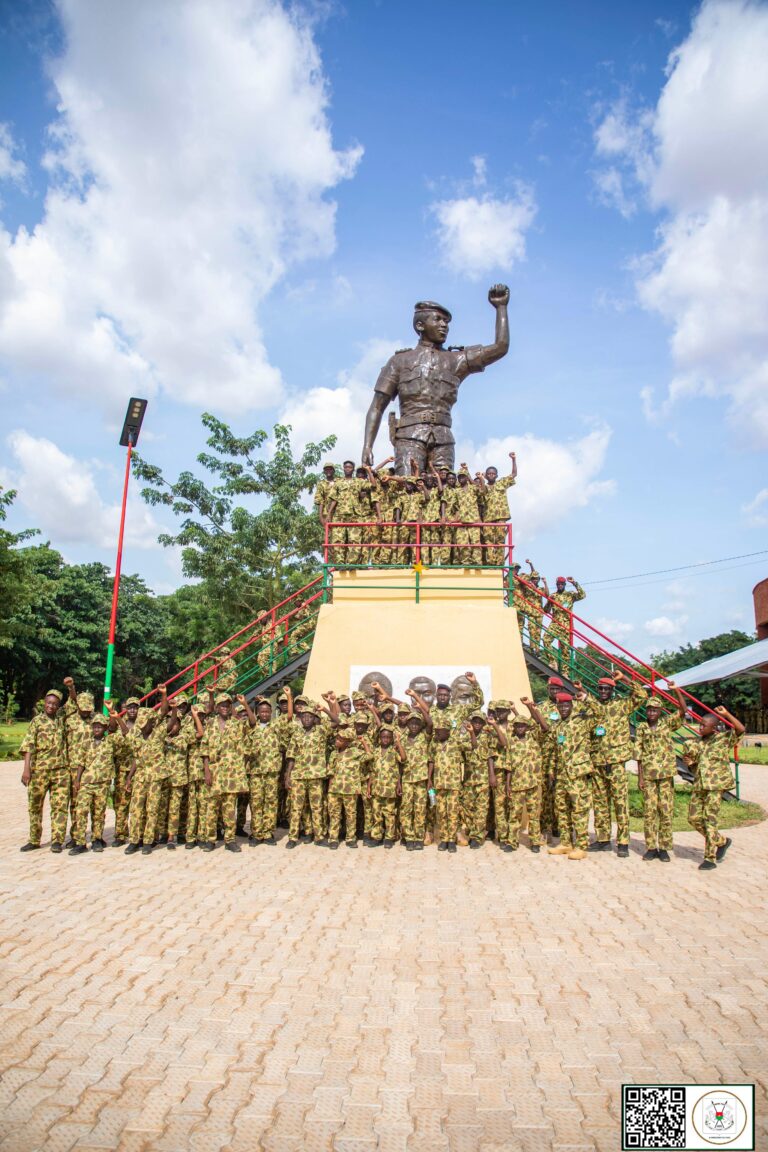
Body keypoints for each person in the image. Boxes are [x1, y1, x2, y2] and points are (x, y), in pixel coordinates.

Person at [361, 286, 510, 474]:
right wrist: (367, 445)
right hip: (409, 437)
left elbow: (500, 347)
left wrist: (501, 308)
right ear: (420, 325)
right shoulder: (399, 361)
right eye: (437, 319)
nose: (444, 325)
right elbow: (377, 406)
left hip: (443, 439)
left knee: (443, 488)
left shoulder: (456, 360)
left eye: (446, 321)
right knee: (408, 486)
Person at [580, 672, 647, 857]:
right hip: (598, 761)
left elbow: (642, 695)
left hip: (616, 762)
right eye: (600, 688)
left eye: (606, 689)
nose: (603, 691)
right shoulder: (593, 706)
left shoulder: (621, 705)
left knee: (620, 803)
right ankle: (603, 839)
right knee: (600, 802)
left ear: (612, 690)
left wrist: (624, 678)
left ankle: (623, 841)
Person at [683, 705, 745, 871]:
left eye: (704, 725)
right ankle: (721, 841)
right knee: (693, 818)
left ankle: (709, 858)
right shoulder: (695, 743)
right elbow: (693, 767)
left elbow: (740, 729)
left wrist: (727, 714)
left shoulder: (723, 739)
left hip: (715, 786)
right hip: (700, 785)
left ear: (714, 727)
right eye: (700, 724)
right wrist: (690, 763)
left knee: (709, 820)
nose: (700, 727)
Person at [635, 684, 685, 861]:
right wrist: (640, 778)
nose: (651, 713)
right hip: (649, 776)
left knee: (665, 811)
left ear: (660, 711)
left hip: (665, 775)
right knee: (649, 812)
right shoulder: (641, 727)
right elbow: (639, 754)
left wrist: (676, 690)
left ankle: (664, 847)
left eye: (655, 710)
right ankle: (650, 847)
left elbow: (683, 710)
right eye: (649, 709)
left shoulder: (667, 723)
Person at [68, 703, 126, 854]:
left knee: (99, 813)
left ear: (105, 728)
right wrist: (77, 780)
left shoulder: (111, 742)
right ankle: (80, 842)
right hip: (86, 783)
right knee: (81, 812)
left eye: (100, 726)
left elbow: (126, 733)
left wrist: (115, 715)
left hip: (102, 783)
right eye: (95, 726)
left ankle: (97, 839)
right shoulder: (86, 743)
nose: (97, 729)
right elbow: (81, 763)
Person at [284, 694, 340, 847]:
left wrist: (325, 709)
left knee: (317, 807)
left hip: (316, 775)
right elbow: (291, 756)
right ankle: (293, 837)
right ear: (300, 718)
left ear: (314, 718)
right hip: (299, 776)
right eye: (304, 716)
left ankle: (319, 836)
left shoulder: (321, 730)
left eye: (310, 716)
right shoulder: (296, 734)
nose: (307, 719)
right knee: (296, 808)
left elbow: (337, 722)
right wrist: (288, 776)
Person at [200, 692, 251, 853]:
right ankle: (210, 839)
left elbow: (252, 723)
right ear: (217, 707)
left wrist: (245, 704)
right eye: (222, 705)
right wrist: (207, 772)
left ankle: (230, 840)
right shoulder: (210, 725)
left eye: (227, 705)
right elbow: (205, 750)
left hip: (231, 775)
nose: (225, 707)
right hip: (214, 773)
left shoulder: (236, 724)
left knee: (229, 810)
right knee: (211, 808)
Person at [19, 688, 69, 853]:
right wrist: (26, 770)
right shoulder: (37, 721)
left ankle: (57, 841)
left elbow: (73, 702)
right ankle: (34, 840)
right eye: (48, 703)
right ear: (44, 703)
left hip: (60, 771)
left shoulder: (62, 719)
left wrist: (71, 688)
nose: (51, 706)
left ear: (58, 706)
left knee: (60, 806)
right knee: (35, 806)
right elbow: (28, 745)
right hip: (39, 770)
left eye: (54, 704)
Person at [546, 690, 594, 861]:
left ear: (572, 706)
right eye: (561, 706)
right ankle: (566, 842)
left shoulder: (582, 721)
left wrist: (587, 698)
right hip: (561, 774)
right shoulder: (558, 725)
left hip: (576, 774)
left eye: (566, 705)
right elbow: (555, 749)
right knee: (562, 809)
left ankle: (581, 845)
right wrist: (551, 769)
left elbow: (600, 713)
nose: (563, 708)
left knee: (579, 809)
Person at [124, 705, 172, 855]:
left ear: (151, 722)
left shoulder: (158, 734)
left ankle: (148, 841)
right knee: (135, 809)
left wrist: (174, 709)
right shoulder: (137, 736)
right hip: (140, 777)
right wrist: (129, 777)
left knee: (152, 809)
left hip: (155, 778)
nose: (142, 726)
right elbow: (135, 757)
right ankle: (134, 841)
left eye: (145, 723)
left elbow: (171, 724)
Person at [504, 699, 547, 852]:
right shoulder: (511, 743)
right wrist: (508, 785)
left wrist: (531, 708)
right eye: (517, 725)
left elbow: (542, 726)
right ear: (514, 728)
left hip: (533, 784)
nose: (520, 728)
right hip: (517, 785)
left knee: (534, 815)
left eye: (523, 725)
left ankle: (535, 842)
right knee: (514, 814)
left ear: (527, 727)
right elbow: (508, 766)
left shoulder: (534, 738)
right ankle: (512, 842)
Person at [244, 696, 283, 845]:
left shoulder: (277, 727)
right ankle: (256, 833)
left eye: (267, 711)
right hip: (256, 771)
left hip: (272, 771)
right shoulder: (252, 728)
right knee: (256, 802)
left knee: (271, 802)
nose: (265, 714)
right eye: (262, 711)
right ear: (258, 713)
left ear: (271, 712)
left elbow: (289, 717)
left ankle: (268, 833)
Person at [61, 678, 95, 847]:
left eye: (89, 709)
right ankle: (75, 836)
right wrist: (71, 687)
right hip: (71, 767)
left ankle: (90, 835)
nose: (86, 712)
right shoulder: (69, 719)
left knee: (87, 804)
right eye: (83, 709)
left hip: (90, 768)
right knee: (73, 803)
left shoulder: (95, 720)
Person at [327, 720, 370, 848]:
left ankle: (351, 838)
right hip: (335, 789)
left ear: (347, 742)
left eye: (340, 739)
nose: (337, 741)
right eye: (337, 738)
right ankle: (333, 838)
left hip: (350, 789)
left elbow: (369, 756)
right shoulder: (334, 753)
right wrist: (329, 789)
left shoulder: (354, 752)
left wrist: (364, 742)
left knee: (351, 815)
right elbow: (330, 772)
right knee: (334, 814)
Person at [400, 689, 433, 850]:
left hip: (421, 779)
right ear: (407, 724)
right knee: (406, 809)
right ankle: (409, 837)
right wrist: (399, 782)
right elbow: (399, 763)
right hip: (406, 779)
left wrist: (421, 709)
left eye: (417, 723)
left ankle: (419, 838)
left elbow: (430, 723)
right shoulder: (402, 739)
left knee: (420, 809)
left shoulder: (424, 736)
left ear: (420, 725)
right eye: (411, 723)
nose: (414, 725)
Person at [428, 720, 463, 852]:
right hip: (439, 784)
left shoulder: (456, 743)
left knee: (452, 812)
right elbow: (431, 761)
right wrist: (429, 779)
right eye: (436, 731)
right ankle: (444, 839)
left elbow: (473, 745)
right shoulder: (434, 744)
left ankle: (452, 840)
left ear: (448, 732)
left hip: (453, 784)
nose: (437, 733)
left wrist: (471, 733)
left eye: (440, 731)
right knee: (441, 812)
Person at [459, 712, 493, 847]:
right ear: (471, 722)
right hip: (468, 779)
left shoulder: (487, 737)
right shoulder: (464, 737)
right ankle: (471, 830)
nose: (477, 724)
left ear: (484, 724)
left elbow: (490, 757)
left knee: (481, 809)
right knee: (467, 808)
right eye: (475, 721)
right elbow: (461, 756)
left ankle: (477, 837)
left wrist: (492, 775)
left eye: (480, 722)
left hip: (483, 779)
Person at [369, 724, 405, 846]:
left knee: (389, 814)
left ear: (391, 738)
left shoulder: (393, 751)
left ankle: (389, 838)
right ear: (380, 738)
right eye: (383, 737)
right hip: (377, 788)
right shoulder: (375, 751)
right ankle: (377, 837)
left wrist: (398, 742)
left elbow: (403, 759)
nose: (386, 739)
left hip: (390, 789)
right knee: (376, 814)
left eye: (388, 737)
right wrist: (369, 787)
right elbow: (372, 771)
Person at [480, 452, 517, 565]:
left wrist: (513, 460)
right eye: (489, 473)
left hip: (501, 517)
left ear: (496, 475)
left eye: (493, 473)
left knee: (500, 541)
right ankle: (491, 563)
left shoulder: (501, 483)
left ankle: (499, 564)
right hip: (488, 519)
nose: (491, 475)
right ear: (486, 476)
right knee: (489, 542)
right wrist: (481, 479)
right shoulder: (483, 487)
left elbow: (514, 474)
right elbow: (480, 492)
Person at [326, 460, 364, 565]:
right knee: (337, 540)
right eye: (346, 467)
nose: (347, 469)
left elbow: (372, 485)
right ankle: (340, 564)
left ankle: (352, 564)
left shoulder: (359, 482)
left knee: (355, 540)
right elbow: (334, 499)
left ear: (353, 469)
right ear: (343, 468)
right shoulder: (338, 483)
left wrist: (368, 470)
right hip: (339, 515)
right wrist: (329, 514)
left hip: (355, 515)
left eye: (350, 467)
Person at [542, 576, 586, 665]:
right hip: (555, 624)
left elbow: (582, 595)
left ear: (565, 584)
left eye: (562, 584)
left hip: (566, 625)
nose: (560, 585)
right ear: (556, 585)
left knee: (565, 649)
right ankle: (552, 662)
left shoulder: (570, 595)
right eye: (558, 584)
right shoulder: (553, 596)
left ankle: (565, 671)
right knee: (546, 639)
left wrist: (574, 583)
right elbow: (546, 610)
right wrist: (549, 601)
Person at [453, 466, 482, 565]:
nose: (461, 478)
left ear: (467, 477)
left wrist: (473, 476)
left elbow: (482, 491)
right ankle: (466, 562)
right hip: (462, 521)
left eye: (463, 476)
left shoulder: (473, 488)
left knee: (476, 543)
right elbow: (456, 507)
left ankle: (477, 562)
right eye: (459, 477)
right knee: (462, 543)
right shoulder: (456, 491)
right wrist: (455, 519)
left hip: (474, 519)